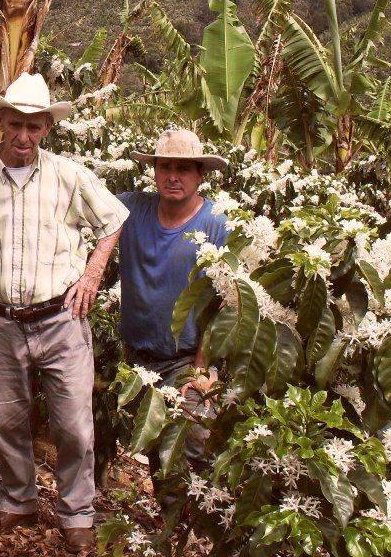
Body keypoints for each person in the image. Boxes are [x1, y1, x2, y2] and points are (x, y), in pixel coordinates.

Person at [0, 72, 129, 555]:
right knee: (8, 420)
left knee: (73, 424)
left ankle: (76, 512)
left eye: (35, 127)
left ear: (48, 128)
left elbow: (113, 220)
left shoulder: (69, 175)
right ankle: (18, 501)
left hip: (60, 320)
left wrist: (91, 275)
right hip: (0, 322)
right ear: (0, 121)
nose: (24, 136)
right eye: (16, 124)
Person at [118, 129, 230, 505]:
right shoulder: (131, 209)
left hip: (187, 362)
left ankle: (195, 527)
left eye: (183, 168)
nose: (173, 176)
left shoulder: (217, 223)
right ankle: (169, 527)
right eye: (165, 167)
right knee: (156, 449)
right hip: (138, 359)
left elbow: (226, 304)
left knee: (193, 447)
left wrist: (202, 367)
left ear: (200, 174)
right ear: (154, 172)